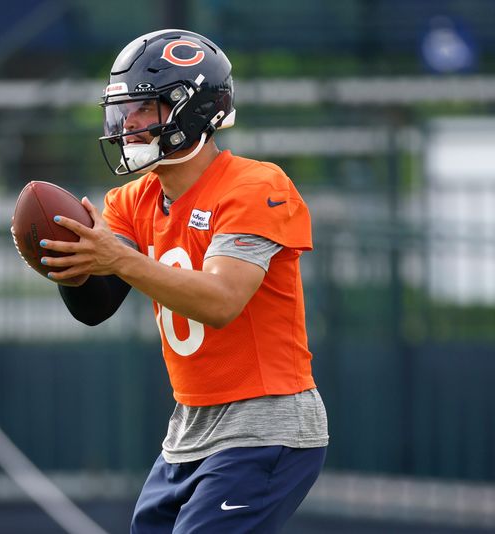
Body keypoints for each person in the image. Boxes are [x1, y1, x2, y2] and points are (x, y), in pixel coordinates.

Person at [35, 29, 328, 533]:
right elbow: (95, 307)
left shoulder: (256, 185)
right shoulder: (132, 200)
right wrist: (71, 261)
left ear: (193, 110)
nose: (128, 125)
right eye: (123, 112)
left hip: (264, 422)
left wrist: (116, 259)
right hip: (189, 427)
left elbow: (221, 301)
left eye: (144, 110)